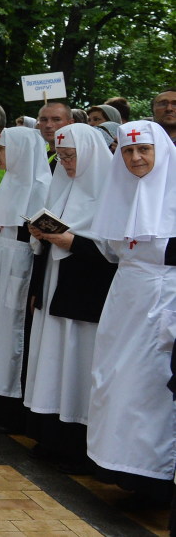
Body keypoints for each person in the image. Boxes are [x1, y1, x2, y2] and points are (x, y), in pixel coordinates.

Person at [86, 120, 176, 505]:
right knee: (116, 384)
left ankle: (156, 477)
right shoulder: (120, 191)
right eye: (128, 151)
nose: (136, 158)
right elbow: (111, 249)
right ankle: (125, 472)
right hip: (124, 301)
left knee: (151, 391)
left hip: (163, 304)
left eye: (144, 150)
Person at [23, 123, 114, 473]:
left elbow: (113, 251)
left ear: (90, 153)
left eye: (71, 156)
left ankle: (77, 444)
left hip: (85, 297)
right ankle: (51, 436)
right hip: (55, 287)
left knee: (78, 363)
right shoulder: (63, 186)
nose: (65, 163)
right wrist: (40, 232)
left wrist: (71, 242)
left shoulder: (109, 192)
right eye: (60, 157)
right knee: (52, 361)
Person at [0, 125, 51, 431]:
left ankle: (10, 407)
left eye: (4, 148)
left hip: (21, 267)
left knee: (13, 334)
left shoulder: (41, 187)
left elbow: (44, 239)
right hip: (1, 264)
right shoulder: (9, 184)